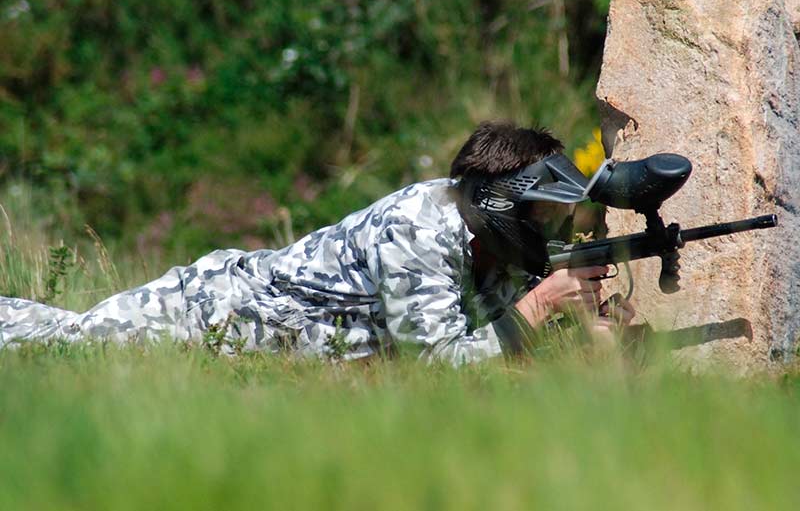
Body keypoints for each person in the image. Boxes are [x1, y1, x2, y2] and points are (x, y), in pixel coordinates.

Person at [0, 121, 634, 364]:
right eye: (540, 214)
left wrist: (586, 325)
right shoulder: (416, 230)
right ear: (494, 198)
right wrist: (544, 306)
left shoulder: (483, 238)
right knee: (60, 348)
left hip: (258, 345)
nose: (548, 231)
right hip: (208, 315)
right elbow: (442, 366)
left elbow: (490, 335)